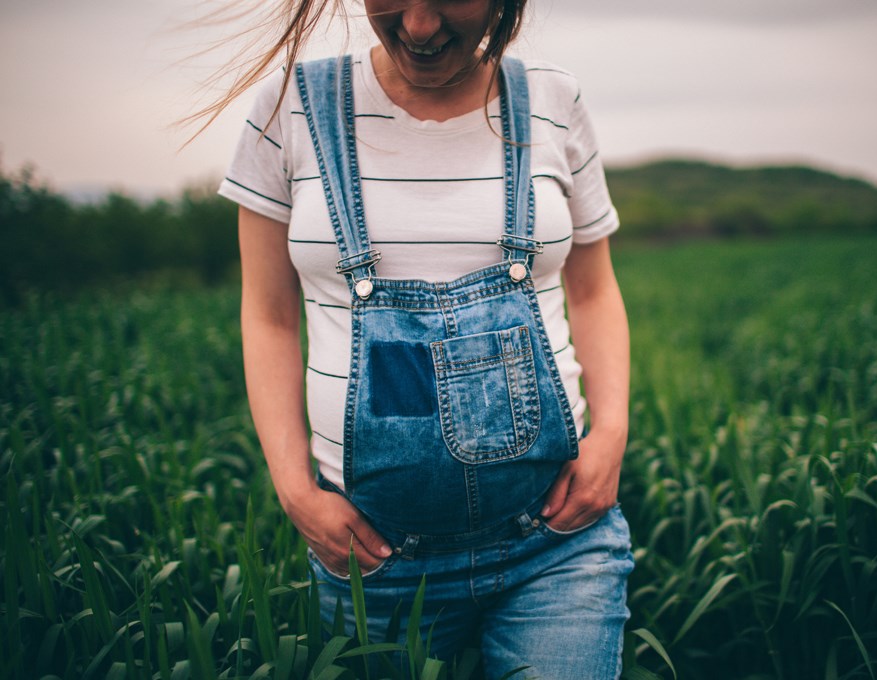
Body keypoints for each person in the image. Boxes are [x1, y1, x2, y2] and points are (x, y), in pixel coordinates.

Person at [216, 0, 633, 676]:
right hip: (372, 557)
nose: (417, 25)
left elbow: (593, 288)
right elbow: (267, 314)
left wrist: (610, 434)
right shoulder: (290, 106)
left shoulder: (555, 100)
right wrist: (294, 488)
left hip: (556, 542)